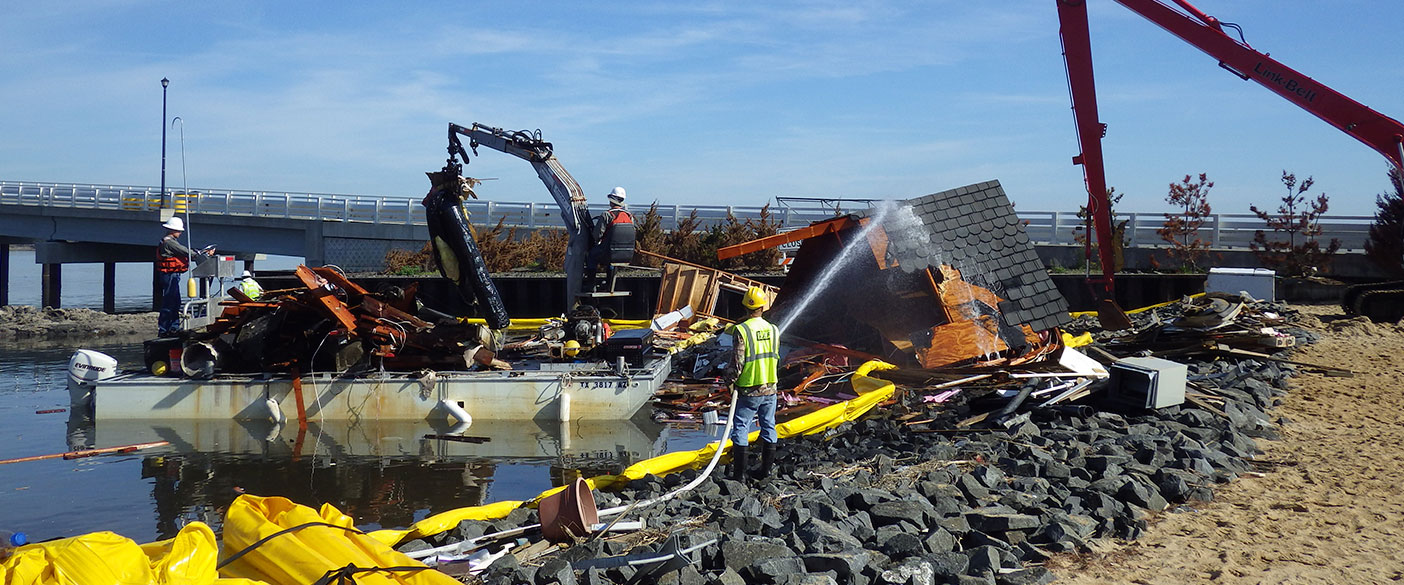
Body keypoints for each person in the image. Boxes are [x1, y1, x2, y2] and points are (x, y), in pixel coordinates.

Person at [725, 286, 781, 482]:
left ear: (745, 307)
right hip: (771, 387)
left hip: (749, 390)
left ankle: (739, 476)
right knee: (769, 426)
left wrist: (729, 380)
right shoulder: (774, 330)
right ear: (763, 307)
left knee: (740, 426)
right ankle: (766, 472)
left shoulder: (742, 330)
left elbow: (737, 362)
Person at [156, 217, 212, 337]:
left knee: (175, 301)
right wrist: (198, 254)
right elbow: (185, 251)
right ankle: (165, 329)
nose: (180, 233)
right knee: (170, 301)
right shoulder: (169, 242)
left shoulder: (170, 241)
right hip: (169, 275)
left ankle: (173, 327)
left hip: (172, 274)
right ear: (172, 230)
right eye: (178, 230)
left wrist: (199, 253)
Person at [583, 187, 634, 291]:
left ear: (611, 200)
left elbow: (597, 235)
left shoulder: (607, 215)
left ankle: (591, 284)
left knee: (591, 255)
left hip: (607, 251)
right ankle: (609, 283)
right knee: (611, 261)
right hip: (625, 254)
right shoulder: (629, 216)